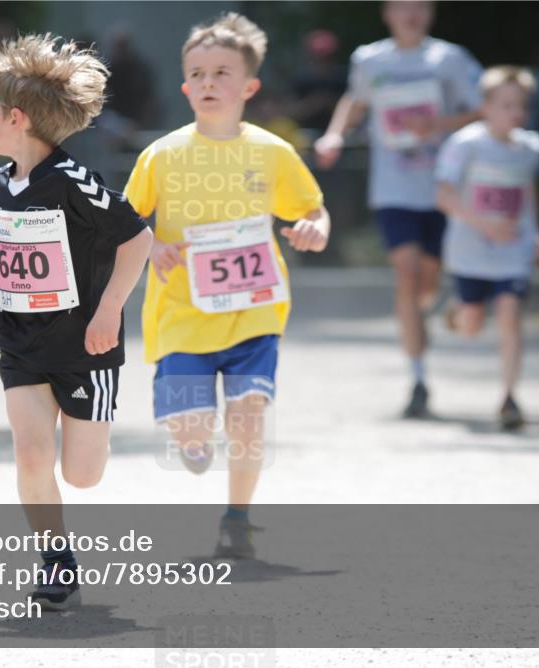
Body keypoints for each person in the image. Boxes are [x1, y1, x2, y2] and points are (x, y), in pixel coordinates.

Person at [0, 35, 153, 609]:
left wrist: (109, 311)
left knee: (82, 475)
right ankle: (55, 559)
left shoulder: (72, 181)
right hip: (21, 342)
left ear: (16, 117)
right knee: (30, 454)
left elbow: (139, 240)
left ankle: (83, 459)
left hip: (85, 345)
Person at [124, 13, 330, 559]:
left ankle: (237, 518)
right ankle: (187, 434)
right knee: (193, 438)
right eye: (199, 73)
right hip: (182, 316)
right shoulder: (162, 154)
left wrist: (314, 228)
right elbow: (123, 221)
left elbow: (311, 207)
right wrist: (152, 241)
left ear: (249, 87)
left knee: (248, 416)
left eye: (222, 72)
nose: (210, 82)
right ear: (186, 86)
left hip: (255, 311)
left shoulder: (272, 153)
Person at [314, 0, 482, 418]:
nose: (411, 14)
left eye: (420, 6)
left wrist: (436, 127)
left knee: (427, 282)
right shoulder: (371, 59)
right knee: (406, 273)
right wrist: (334, 136)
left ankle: (425, 310)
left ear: (431, 12)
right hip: (393, 189)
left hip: (443, 188)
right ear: (387, 12)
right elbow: (356, 101)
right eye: (402, 6)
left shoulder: (450, 58)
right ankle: (419, 378)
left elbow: (482, 108)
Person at [434, 66, 539, 430]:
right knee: (471, 326)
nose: (515, 112)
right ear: (485, 106)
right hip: (470, 250)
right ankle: (458, 309)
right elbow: (444, 195)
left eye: (520, 106)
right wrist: (484, 224)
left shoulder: (531, 147)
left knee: (511, 314)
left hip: (512, 250)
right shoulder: (464, 145)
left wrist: (535, 232)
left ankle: (510, 398)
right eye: (506, 105)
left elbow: (526, 189)